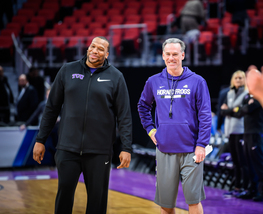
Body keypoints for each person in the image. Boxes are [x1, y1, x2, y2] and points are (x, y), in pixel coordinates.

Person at [33, 36, 132, 214]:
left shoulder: (116, 77)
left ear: (107, 54)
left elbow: (124, 116)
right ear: (88, 48)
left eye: (100, 49)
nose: (95, 51)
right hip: (67, 149)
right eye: (93, 46)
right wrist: (40, 139)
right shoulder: (67, 70)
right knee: (64, 197)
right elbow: (51, 108)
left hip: (99, 151)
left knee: (97, 201)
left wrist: (126, 147)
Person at [137, 38, 211, 214]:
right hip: (164, 149)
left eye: (175, 54)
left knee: (193, 201)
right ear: (163, 56)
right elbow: (143, 106)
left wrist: (202, 144)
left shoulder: (197, 81)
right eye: (168, 54)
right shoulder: (153, 81)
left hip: (191, 150)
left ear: (183, 55)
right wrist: (150, 129)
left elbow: (205, 115)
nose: (171, 58)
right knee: (166, 204)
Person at [231, 93, 263, 201]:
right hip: (247, 133)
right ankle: (252, 190)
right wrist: (242, 107)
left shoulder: (260, 95)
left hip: (256, 134)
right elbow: (239, 112)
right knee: (249, 163)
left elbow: (246, 109)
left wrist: (242, 108)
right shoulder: (247, 96)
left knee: (259, 163)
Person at [220, 70, 249, 197]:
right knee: (235, 162)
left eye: (241, 78)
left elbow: (240, 112)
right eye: (236, 78)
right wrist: (233, 110)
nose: (238, 80)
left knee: (243, 162)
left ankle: (245, 187)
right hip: (230, 131)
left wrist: (229, 110)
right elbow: (222, 111)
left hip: (241, 131)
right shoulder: (229, 93)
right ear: (233, 80)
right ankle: (237, 187)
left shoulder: (247, 94)